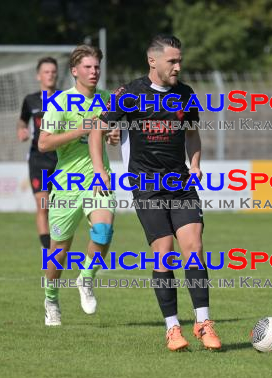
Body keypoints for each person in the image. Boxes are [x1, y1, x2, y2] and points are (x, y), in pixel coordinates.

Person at [90, 34, 221, 351]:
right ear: (153, 61)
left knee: (194, 245)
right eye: (172, 61)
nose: (178, 66)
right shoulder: (132, 93)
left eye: (180, 60)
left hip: (181, 183)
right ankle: (173, 328)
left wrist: (196, 163)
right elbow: (98, 126)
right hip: (146, 187)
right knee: (163, 252)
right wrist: (99, 170)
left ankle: (203, 322)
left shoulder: (186, 94)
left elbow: (192, 135)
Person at [38, 45, 118, 326]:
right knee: (59, 251)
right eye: (88, 67)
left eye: (97, 67)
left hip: (100, 178)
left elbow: (112, 131)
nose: (94, 71)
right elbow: (43, 143)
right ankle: (50, 298)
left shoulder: (107, 99)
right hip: (67, 184)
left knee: (103, 231)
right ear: (75, 71)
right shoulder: (60, 103)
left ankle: (86, 279)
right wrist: (81, 130)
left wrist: (113, 135)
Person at [17, 57, 59, 251]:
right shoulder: (30, 100)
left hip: (62, 160)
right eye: (46, 72)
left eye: (53, 71)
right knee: (43, 206)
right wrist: (21, 130)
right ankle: (47, 251)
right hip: (39, 161)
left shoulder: (65, 98)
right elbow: (22, 121)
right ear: (38, 76)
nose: (50, 75)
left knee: (62, 208)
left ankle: (60, 245)